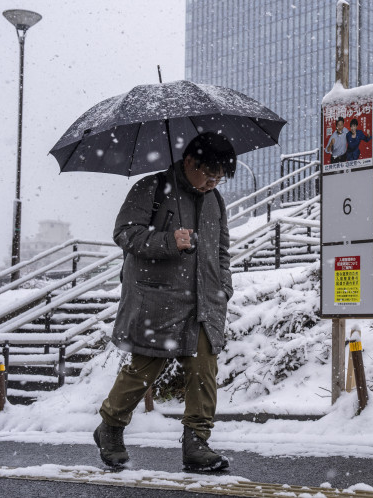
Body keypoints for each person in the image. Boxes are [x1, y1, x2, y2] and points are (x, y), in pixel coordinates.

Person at [94, 132, 236, 472]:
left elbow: (222, 252)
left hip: (204, 301)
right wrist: (168, 241)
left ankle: (196, 444)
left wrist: (224, 288)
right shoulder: (152, 189)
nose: (213, 182)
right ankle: (111, 428)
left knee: (204, 369)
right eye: (209, 174)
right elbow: (125, 233)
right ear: (189, 162)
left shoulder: (215, 201)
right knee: (144, 370)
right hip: (157, 300)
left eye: (219, 177)